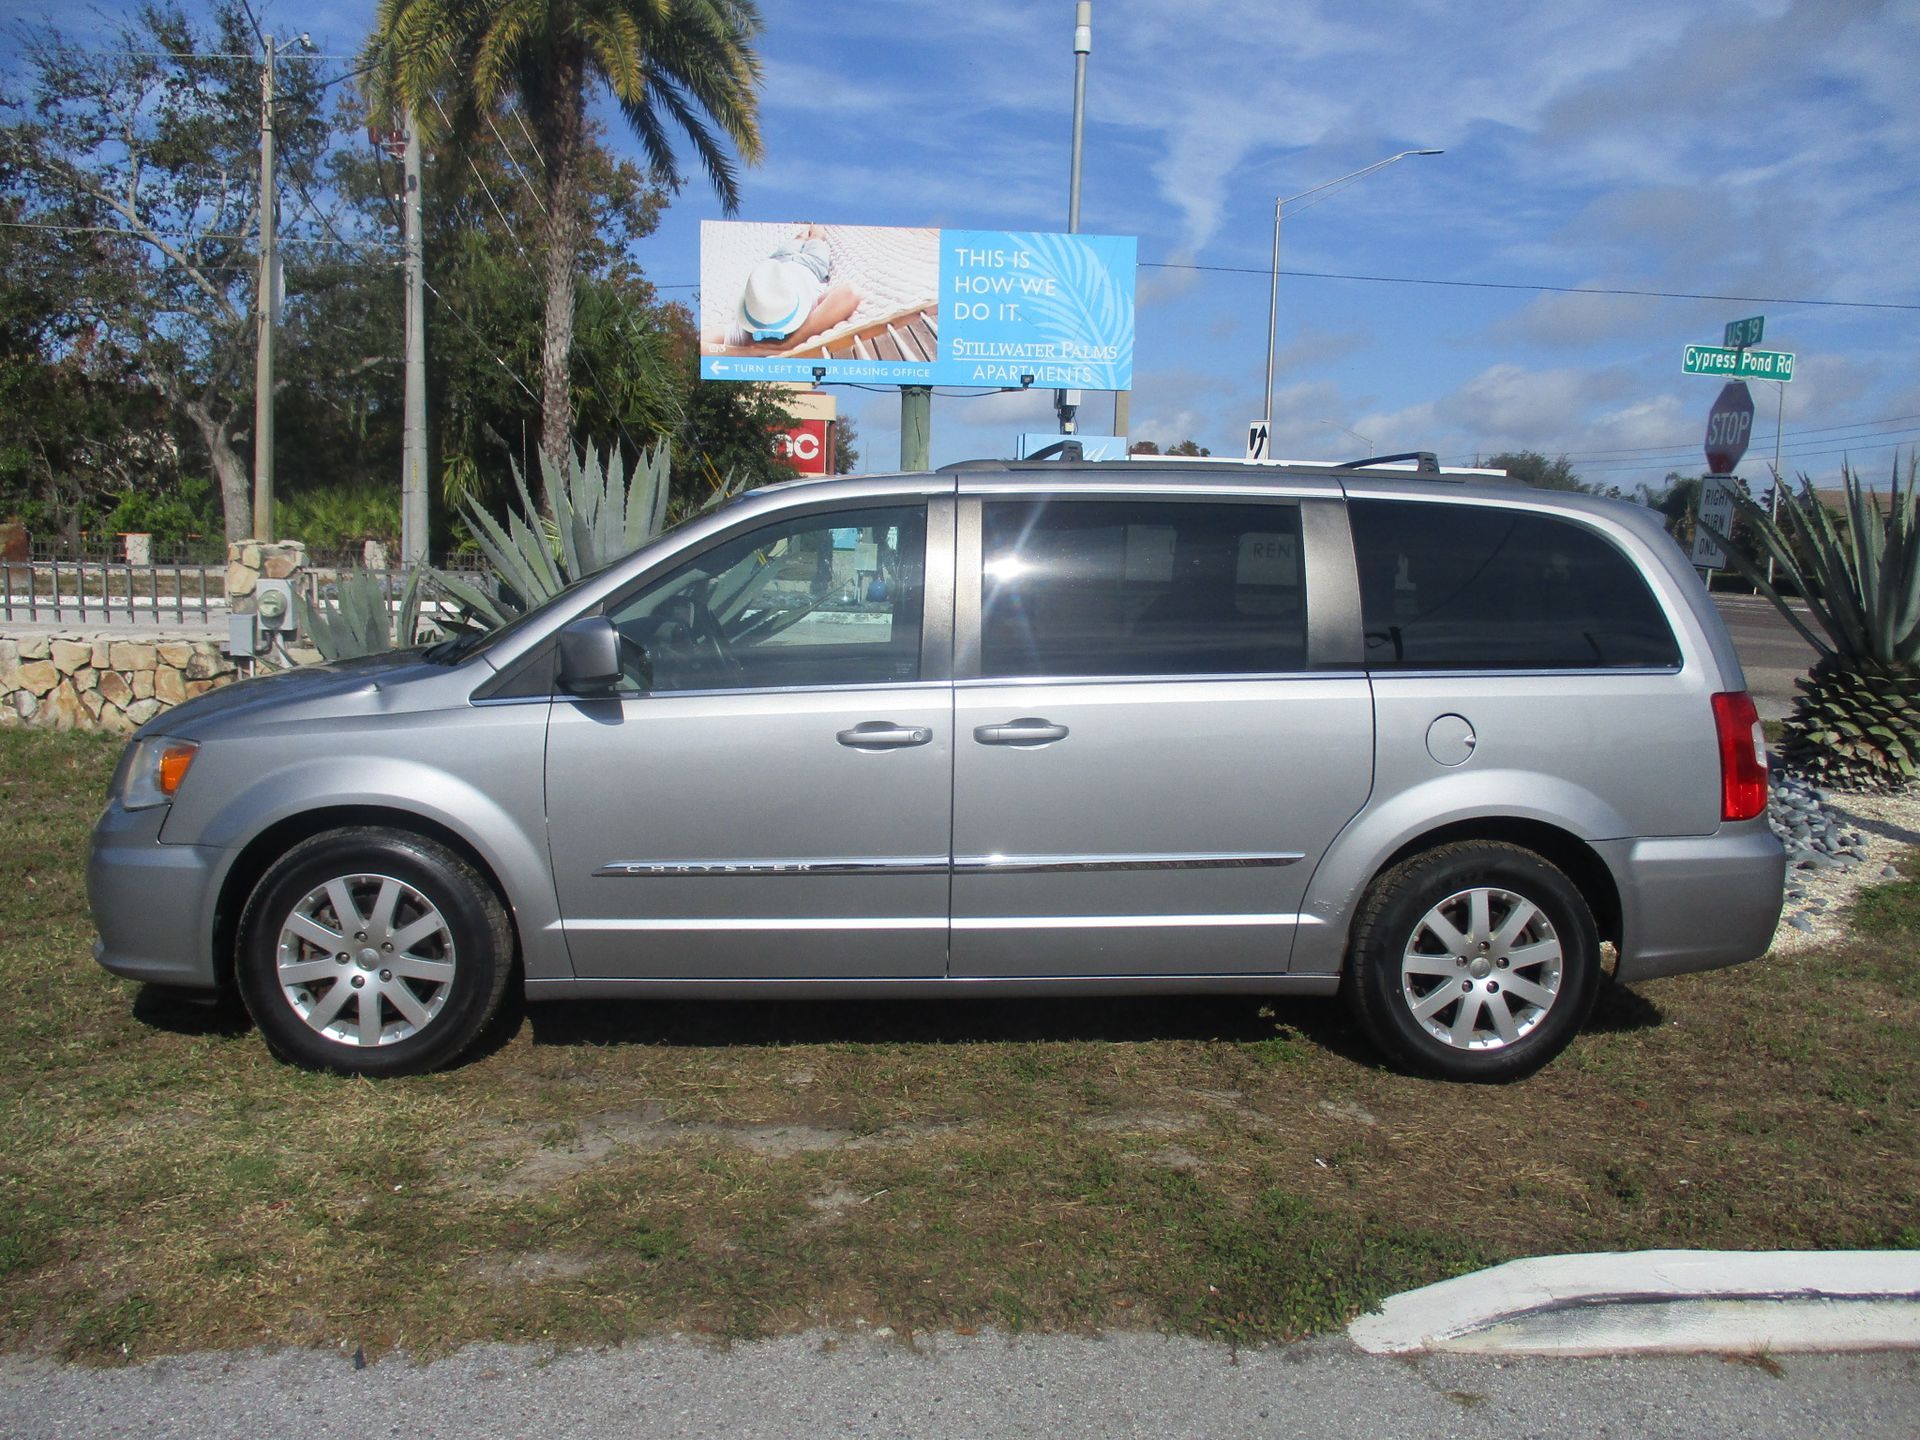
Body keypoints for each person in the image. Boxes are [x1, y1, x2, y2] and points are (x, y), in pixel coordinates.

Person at [705, 225, 860, 355]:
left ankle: (809, 226)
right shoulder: (805, 312)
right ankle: (809, 229)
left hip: (777, 264)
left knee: (808, 236)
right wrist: (751, 352)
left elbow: (703, 343)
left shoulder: (746, 332)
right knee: (815, 237)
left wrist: (787, 344)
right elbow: (850, 293)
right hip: (812, 264)